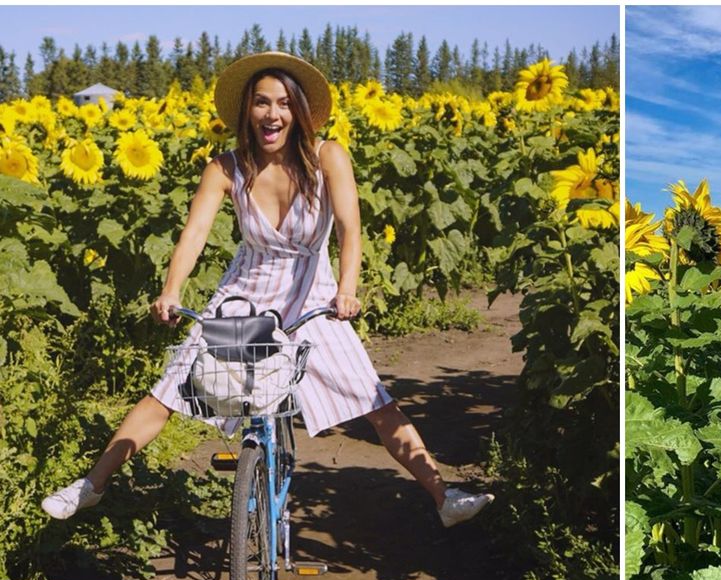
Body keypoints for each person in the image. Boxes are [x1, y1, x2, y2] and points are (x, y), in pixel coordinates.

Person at [41, 52, 493, 528]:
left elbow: (349, 229)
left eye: (282, 103)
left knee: (373, 400)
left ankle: (444, 497)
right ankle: (90, 486)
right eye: (261, 103)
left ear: (298, 110)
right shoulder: (225, 168)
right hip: (247, 290)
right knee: (174, 387)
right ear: (247, 111)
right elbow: (194, 234)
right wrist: (171, 289)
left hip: (315, 291)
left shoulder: (328, 156)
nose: (271, 114)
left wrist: (347, 289)